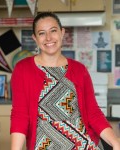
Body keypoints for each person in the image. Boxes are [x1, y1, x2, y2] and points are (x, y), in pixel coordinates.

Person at [10, 12, 120, 150]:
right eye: (42, 33)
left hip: (83, 144)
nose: (48, 37)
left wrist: (115, 142)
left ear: (62, 33)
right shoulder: (23, 69)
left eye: (53, 31)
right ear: (35, 38)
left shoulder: (80, 70)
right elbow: (20, 116)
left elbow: (93, 113)